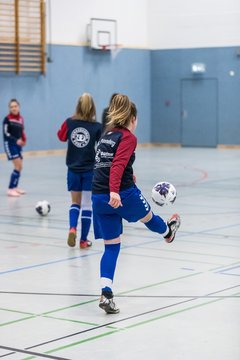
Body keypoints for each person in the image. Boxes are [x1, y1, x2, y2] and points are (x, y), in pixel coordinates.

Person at [92, 94, 181, 314]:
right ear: (132, 118)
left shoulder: (107, 135)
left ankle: (106, 293)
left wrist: (127, 177)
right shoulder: (128, 137)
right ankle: (168, 233)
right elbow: (117, 165)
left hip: (98, 197)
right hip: (120, 195)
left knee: (111, 246)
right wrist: (115, 190)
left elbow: (105, 164)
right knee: (149, 217)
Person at [57, 93, 102, 249]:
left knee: (75, 203)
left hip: (73, 169)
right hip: (89, 170)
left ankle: (72, 228)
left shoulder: (70, 122)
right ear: (92, 108)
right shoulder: (97, 126)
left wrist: (70, 122)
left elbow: (61, 136)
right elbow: (102, 146)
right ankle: (83, 240)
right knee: (87, 205)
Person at [2, 99, 27, 197]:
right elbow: (6, 133)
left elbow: (22, 131)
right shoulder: (7, 119)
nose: (13, 108)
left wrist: (24, 140)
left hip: (18, 145)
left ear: (18, 107)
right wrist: (15, 140)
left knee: (20, 167)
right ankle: (10, 189)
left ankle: (15, 187)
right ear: (9, 108)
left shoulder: (21, 118)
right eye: (11, 107)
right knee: (18, 166)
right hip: (10, 144)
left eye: (15, 106)